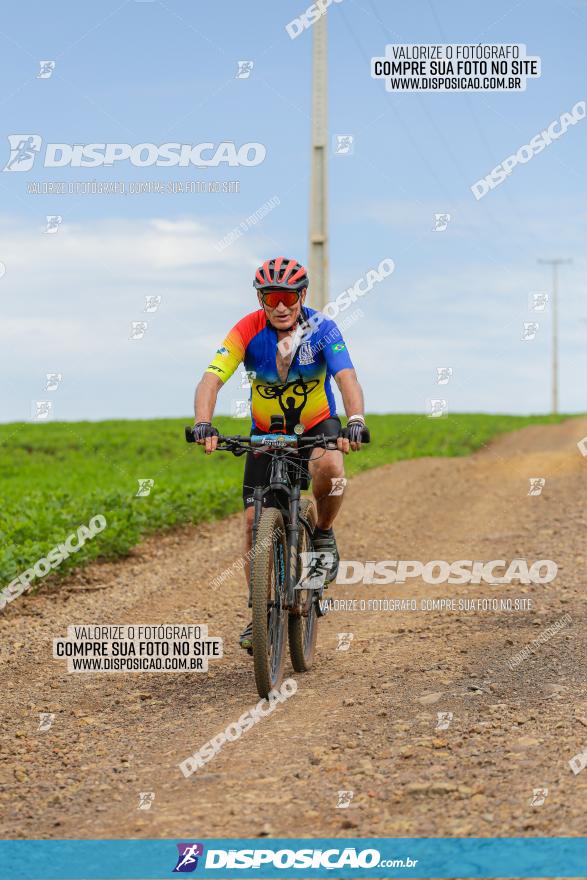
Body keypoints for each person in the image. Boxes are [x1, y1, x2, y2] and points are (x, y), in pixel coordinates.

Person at [193, 256, 367, 649]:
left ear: (302, 295)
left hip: (316, 425)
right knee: (255, 521)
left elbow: (346, 377)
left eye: (289, 295)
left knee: (331, 466)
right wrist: (204, 421)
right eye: (272, 297)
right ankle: (259, 611)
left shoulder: (322, 328)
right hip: (266, 433)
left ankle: (322, 533)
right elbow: (210, 379)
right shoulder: (247, 330)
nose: (281, 305)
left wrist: (355, 418)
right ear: (261, 299)